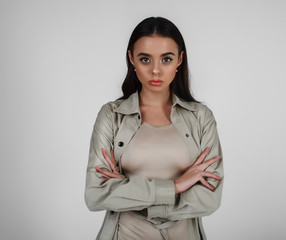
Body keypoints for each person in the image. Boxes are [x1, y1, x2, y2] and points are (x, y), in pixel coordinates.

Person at [85, 16, 224, 240]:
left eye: (166, 59)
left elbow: (209, 200)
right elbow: (96, 195)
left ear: (180, 59)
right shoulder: (111, 116)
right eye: (145, 59)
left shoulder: (201, 118)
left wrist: (127, 191)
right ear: (131, 59)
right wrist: (176, 186)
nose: (156, 71)